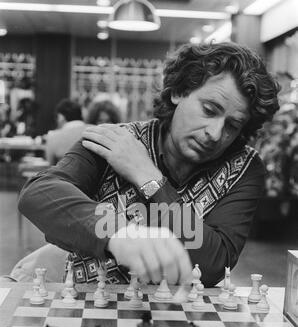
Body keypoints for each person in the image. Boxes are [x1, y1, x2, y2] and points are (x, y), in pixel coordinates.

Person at [18, 42, 280, 287]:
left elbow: (214, 264)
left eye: (232, 126)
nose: (214, 133)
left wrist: (150, 178)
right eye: (209, 110)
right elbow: (39, 194)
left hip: (168, 315)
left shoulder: (243, 167)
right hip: (84, 302)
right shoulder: (117, 140)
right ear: (179, 91)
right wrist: (117, 233)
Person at [45, 98, 86, 165]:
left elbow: (50, 166)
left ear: (61, 117)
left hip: (63, 174)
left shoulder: (53, 136)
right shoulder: (95, 130)